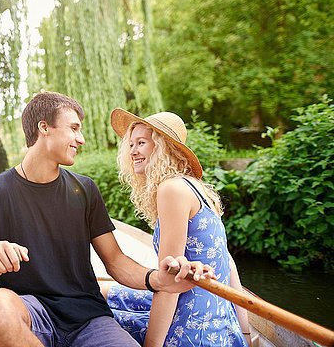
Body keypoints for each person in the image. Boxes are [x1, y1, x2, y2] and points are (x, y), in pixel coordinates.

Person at [0, 92, 214, 347]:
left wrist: (156, 280)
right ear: (45, 127)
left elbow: (116, 261)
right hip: (32, 315)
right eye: (74, 128)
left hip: (89, 318)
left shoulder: (85, 190)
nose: (82, 138)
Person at [100, 108, 251, 347]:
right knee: (103, 291)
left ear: (162, 148)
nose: (133, 151)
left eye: (141, 143)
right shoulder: (196, 188)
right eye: (131, 144)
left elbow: (169, 283)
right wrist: (244, 333)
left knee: (91, 316)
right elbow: (228, 263)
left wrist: (152, 345)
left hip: (193, 329)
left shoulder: (172, 189)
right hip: (223, 325)